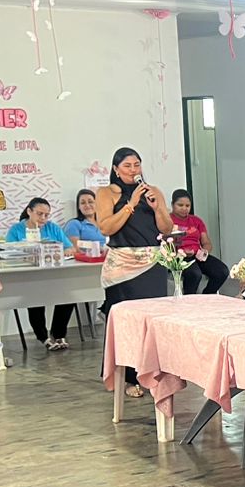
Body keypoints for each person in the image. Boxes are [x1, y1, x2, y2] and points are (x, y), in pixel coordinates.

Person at [94, 148, 175, 397]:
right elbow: (106, 226)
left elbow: (166, 227)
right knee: (125, 322)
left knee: (151, 321)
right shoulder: (106, 193)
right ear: (116, 169)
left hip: (151, 262)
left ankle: (153, 374)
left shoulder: (153, 192)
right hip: (122, 264)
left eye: (136, 165)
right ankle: (127, 378)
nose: (133, 170)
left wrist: (157, 207)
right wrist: (130, 205)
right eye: (127, 166)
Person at [5, 196, 77, 351]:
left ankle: (59, 334)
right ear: (29, 211)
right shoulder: (16, 230)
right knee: (35, 299)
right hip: (29, 276)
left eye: (46, 215)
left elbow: (70, 248)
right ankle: (43, 337)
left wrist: (63, 252)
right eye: (40, 214)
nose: (43, 218)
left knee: (69, 296)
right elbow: (9, 252)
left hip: (55, 274)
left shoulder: (53, 228)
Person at [170, 188, 231, 297]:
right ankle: (189, 300)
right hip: (180, 256)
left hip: (198, 255)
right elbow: (166, 242)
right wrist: (181, 252)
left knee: (222, 271)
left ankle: (207, 296)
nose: (184, 209)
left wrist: (204, 251)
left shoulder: (196, 221)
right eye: (180, 205)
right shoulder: (168, 220)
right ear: (172, 205)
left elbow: (206, 242)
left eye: (187, 206)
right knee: (194, 274)